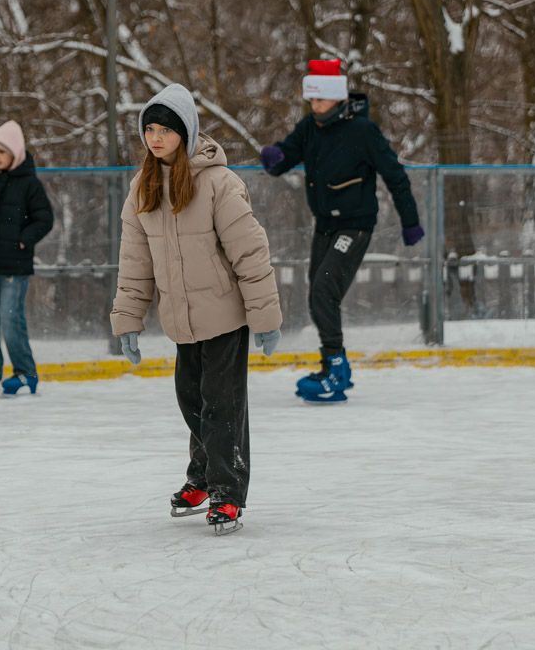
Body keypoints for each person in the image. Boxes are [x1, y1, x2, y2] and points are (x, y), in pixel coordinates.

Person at [111, 83, 282, 535]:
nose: (156, 138)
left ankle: (227, 491)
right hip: (181, 320)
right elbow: (135, 262)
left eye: (165, 129)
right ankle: (203, 477)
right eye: (149, 129)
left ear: (185, 132)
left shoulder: (219, 184)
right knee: (191, 399)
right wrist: (128, 319)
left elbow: (251, 253)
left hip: (225, 316)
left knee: (221, 407)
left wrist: (265, 317)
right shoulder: (143, 187)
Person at [260, 59, 423, 403]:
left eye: (320, 99)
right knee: (318, 295)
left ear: (337, 98)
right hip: (325, 225)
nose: (314, 105)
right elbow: (288, 154)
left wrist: (410, 221)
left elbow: (395, 175)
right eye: (311, 99)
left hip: (355, 224)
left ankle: (336, 370)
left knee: (323, 290)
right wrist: (274, 157)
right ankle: (332, 366)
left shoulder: (362, 131)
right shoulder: (310, 127)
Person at [0, 121, 54, 396]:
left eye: (1, 151)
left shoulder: (30, 184)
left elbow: (44, 219)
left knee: (10, 319)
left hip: (15, 266)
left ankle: (25, 373)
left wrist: (23, 240)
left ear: (14, 152)